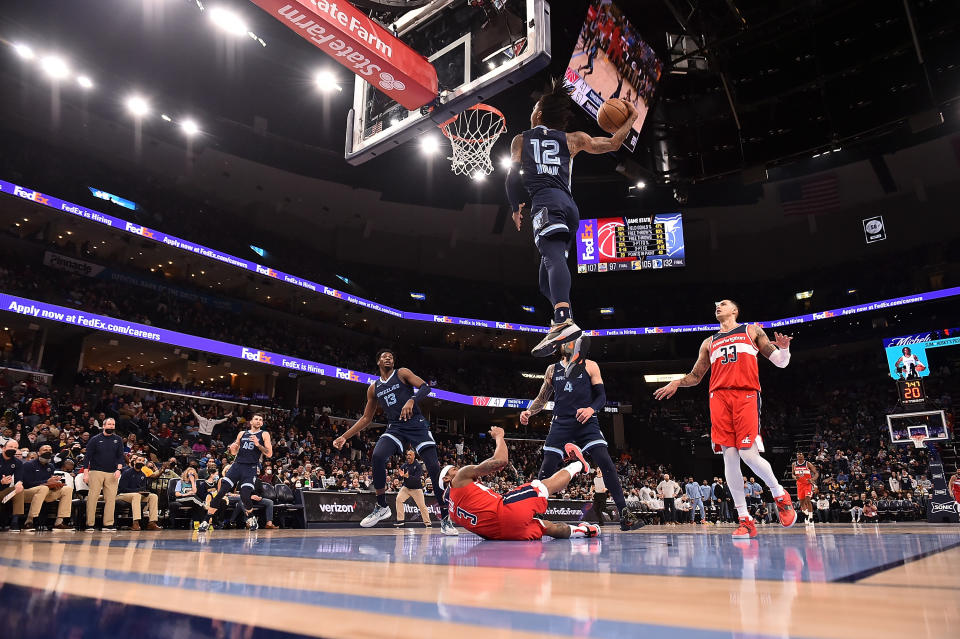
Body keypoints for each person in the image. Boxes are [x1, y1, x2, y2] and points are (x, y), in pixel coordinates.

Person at [505, 79, 639, 357]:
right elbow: (614, 143)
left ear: (539, 115)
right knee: (545, 281)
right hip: (568, 207)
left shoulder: (521, 139)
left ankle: (563, 319)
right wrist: (633, 118)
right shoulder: (574, 139)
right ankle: (561, 322)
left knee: (552, 258)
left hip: (545, 202)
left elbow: (510, 178)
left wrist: (515, 207)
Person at [654, 299, 798, 539]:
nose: (717, 306)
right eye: (715, 305)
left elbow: (781, 363)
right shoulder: (709, 342)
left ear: (735, 310)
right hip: (718, 399)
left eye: (723, 304)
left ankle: (779, 493)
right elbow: (696, 376)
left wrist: (784, 348)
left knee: (748, 454)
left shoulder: (751, 330)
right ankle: (745, 519)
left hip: (746, 395)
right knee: (729, 458)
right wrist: (677, 382)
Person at [520, 337, 642, 530]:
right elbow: (542, 398)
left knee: (605, 461)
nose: (569, 344)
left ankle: (625, 514)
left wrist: (591, 409)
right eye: (565, 341)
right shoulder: (552, 369)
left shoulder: (590, 365)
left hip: (586, 421)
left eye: (572, 341)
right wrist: (529, 411)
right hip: (561, 422)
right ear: (559, 346)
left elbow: (601, 397)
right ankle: (533, 513)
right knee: (547, 467)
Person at [333, 350, 457, 535]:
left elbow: (425, 387)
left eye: (391, 356)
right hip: (395, 427)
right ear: (378, 362)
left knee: (433, 467)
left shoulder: (402, 373)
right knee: (377, 455)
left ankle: (446, 518)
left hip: (416, 424)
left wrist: (412, 400)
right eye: (384, 356)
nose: (388, 358)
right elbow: (367, 418)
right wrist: (345, 436)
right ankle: (382, 506)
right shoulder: (374, 388)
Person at [439, 426, 599, 540]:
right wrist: (499, 436)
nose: (457, 468)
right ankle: (579, 465)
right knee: (543, 486)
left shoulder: (453, 513)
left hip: (500, 534)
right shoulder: (459, 477)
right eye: (453, 468)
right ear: (447, 478)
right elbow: (501, 461)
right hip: (505, 510)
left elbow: (480, 529)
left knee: (548, 528)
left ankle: (587, 531)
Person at [200, 413, 272, 532]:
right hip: (237, 465)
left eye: (261, 420)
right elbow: (233, 452)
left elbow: (269, 453)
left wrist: (258, 444)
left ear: (262, 423)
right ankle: (206, 520)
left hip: (250, 468)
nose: (258, 421)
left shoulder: (264, 434)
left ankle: (251, 517)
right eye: (256, 419)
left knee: (244, 495)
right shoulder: (242, 433)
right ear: (251, 422)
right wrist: (233, 447)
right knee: (220, 492)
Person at [17, 444, 74, 531]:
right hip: (27, 492)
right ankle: (29, 521)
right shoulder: (28, 465)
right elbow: (27, 484)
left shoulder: (51, 466)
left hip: (45, 492)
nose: (48, 451)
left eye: (50, 450)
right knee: (43, 488)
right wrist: (46, 482)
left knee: (67, 489)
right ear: (38, 453)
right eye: (45, 450)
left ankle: (59, 522)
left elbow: (48, 482)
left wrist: (55, 484)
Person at [82, 417, 125, 532]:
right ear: (104, 425)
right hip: (96, 472)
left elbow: (120, 456)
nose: (111, 426)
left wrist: (119, 470)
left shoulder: (118, 439)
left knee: (111, 499)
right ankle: (90, 524)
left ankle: (108, 524)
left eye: (113, 424)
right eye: (109, 424)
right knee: (93, 498)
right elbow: (87, 457)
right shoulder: (95, 439)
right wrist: (86, 473)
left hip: (112, 473)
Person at [117, 455, 162, 531]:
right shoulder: (127, 473)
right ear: (134, 462)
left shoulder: (143, 475)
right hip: (122, 495)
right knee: (136, 495)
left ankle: (152, 522)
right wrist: (137, 491)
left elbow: (143, 488)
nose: (141, 462)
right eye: (139, 460)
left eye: (142, 461)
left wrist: (144, 492)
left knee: (153, 496)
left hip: (136, 495)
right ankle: (136, 523)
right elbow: (122, 488)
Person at [395, 449, 432, 528]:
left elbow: (416, 479)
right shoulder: (404, 465)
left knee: (422, 506)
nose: (408, 456)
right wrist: (400, 476)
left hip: (416, 489)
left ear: (414, 456)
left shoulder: (418, 466)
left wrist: (408, 476)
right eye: (407, 455)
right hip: (406, 488)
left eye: (410, 455)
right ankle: (400, 521)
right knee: (398, 499)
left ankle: (428, 523)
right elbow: (400, 478)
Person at [792, 452, 820, 527]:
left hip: (807, 484)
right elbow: (792, 474)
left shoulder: (808, 464)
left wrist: (812, 479)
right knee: (801, 503)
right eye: (798, 454)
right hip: (799, 485)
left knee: (808, 500)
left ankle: (811, 518)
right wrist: (795, 477)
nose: (799, 455)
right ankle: (807, 514)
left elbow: (816, 473)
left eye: (800, 454)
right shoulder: (794, 464)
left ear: (803, 456)